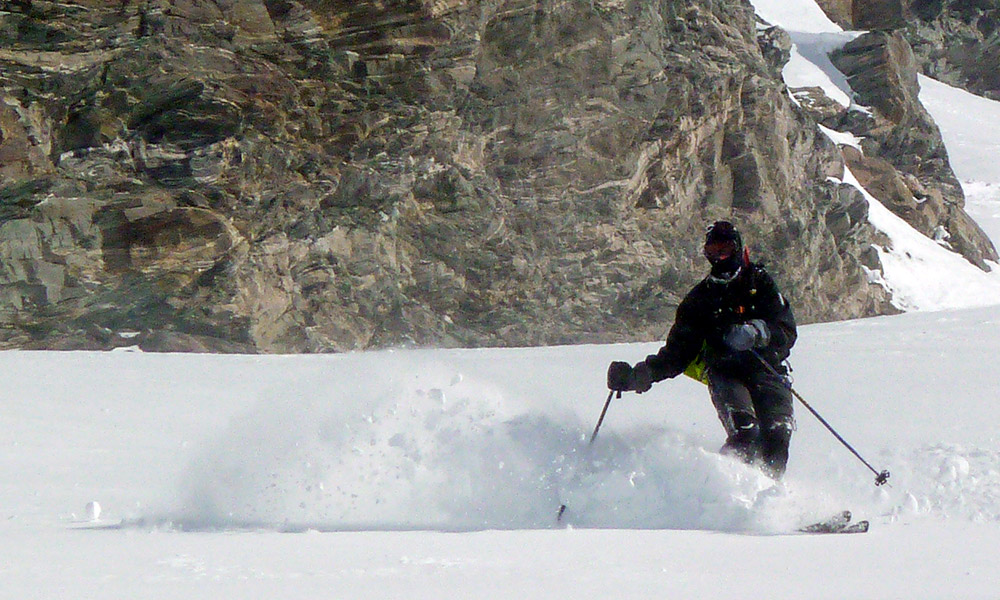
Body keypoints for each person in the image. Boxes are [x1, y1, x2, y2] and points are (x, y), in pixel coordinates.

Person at [607, 221, 798, 479]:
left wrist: (758, 331)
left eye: (725, 249)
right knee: (746, 433)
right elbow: (677, 354)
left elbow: (786, 329)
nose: (720, 257)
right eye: (713, 251)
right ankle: (719, 487)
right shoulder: (700, 300)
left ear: (738, 249)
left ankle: (769, 497)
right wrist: (638, 376)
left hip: (768, 370)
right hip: (726, 374)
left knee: (777, 436)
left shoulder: (760, 284)